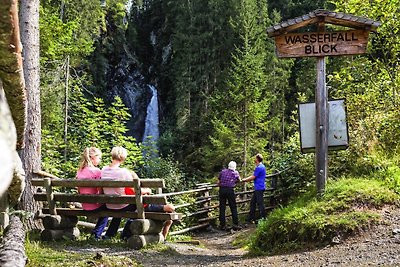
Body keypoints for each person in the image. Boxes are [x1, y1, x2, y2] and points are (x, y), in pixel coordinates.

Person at [101, 146, 137, 240]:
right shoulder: (124, 172)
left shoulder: (103, 170)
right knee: (139, 206)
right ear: (123, 158)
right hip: (121, 205)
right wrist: (147, 191)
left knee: (119, 208)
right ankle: (126, 234)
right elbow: (134, 190)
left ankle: (109, 235)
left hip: (109, 204)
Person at [76, 147, 108, 240]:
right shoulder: (97, 171)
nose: (100, 160)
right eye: (99, 158)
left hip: (85, 205)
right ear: (93, 158)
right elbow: (100, 190)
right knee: (108, 209)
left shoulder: (80, 171)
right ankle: (96, 234)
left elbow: (79, 190)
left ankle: (95, 233)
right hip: (94, 206)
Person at [242, 153, 266, 223]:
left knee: (260, 203)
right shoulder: (261, 166)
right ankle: (251, 217)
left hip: (259, 187)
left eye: (255, 158)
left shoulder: (259, 167)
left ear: (257, 159)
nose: (254, 159)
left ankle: (263, 218)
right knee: (253, 203)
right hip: (258, 187)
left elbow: (253, 177)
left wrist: (244, 180)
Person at [218, 161, 241, 230]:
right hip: (230, 190)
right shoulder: (235, 173)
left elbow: (218, 181)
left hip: (222, 190)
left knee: (222, 207)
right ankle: (235, 223)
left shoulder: (222, 172)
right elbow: (239, 180)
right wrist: (234, 182)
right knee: (233, 207)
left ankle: (222, 225)